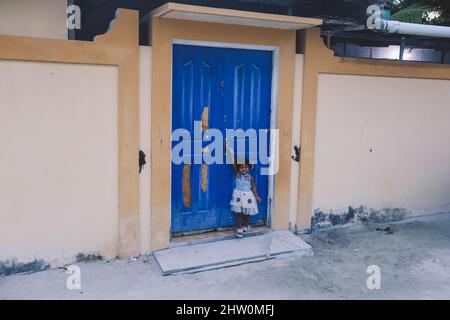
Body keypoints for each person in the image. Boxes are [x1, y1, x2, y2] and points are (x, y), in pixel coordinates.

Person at [229, 158, 262, 238]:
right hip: (239, 196)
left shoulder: (250, 177)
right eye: (242, 167)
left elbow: (253, 187)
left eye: (246, 167)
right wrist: (229, 152)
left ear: (249, 167)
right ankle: (239, 228)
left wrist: (257, 196)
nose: (244, 169)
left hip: (248, 196)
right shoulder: (237, 174)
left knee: (247, 212)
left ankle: (246, 226)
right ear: (238, 168)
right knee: (239, 213)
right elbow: (233, 164)